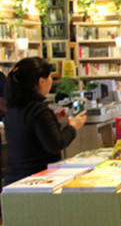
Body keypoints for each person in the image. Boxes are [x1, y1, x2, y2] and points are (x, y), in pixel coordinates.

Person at [3, 57, 87, 186]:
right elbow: (55, 144)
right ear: (41, 81)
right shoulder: (38, 110)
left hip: (14, 180)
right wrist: (72, 126)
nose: (51, 81)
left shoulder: (12, 110)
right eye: (49, 77)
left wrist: (52, 121)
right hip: (38, 181)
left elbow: (29, 134)